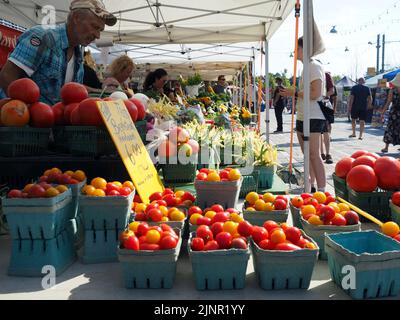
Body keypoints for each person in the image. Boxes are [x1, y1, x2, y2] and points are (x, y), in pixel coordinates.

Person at [0, 0, 116, 105]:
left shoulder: (78, 55)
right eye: (95, 26)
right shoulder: (43, 37)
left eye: (100, 30)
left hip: (52, 125)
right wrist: (26, 113)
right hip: (23, 126)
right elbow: (7, 76)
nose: (98, 35)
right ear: (76, 17)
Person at [280, 37, 327, 192]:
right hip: (303, 115)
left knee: (313, 154)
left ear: (304, 49)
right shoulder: (307, 67)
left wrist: (295, 92)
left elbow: (316, 93)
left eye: (297, 49)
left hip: (313, 115)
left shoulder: (313, 66)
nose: (295, 52)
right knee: (308, 154)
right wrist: (293, 93)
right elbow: (307, 93)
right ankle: (310, 185)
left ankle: (322, 190)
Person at [380, 74, 400, 153]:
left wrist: (383, 112)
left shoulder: (392, 90)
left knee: (390, 128)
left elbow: (388, 102)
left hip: (394, 112)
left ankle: (386, 147)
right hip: (396, 112)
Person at [320, 72, 336, 164]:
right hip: (314, 105)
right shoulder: (309, 73)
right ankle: (321, 153)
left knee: (326, 130)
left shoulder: (326, 75)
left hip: (324, 104)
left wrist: (320, 95)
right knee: (317, 131)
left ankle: (328, 153)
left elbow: (332, 91)